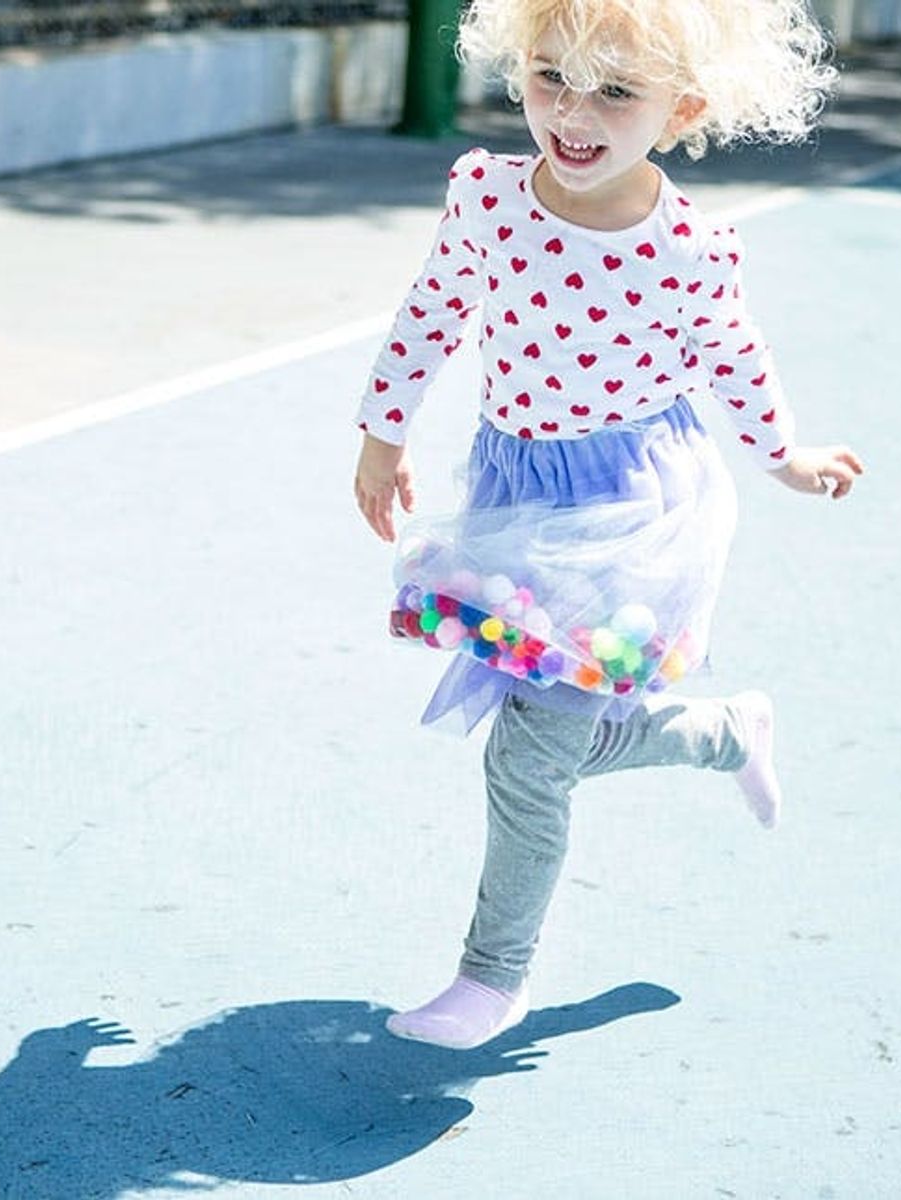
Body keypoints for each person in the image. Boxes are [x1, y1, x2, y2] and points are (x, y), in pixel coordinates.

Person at [353, 0, 864, 1050]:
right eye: (550, 76)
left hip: (633, 511)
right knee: (551, 740)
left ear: (683, 108)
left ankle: (492, 979)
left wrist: (786, 455)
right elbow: (431, 313)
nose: (573, 113)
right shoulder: (490, 200)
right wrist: (382, 433)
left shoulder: (688, 249)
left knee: (530, 757)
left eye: (616, 91)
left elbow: (738, 363)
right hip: (513, 493)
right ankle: (727, 733)